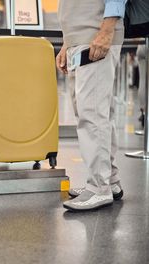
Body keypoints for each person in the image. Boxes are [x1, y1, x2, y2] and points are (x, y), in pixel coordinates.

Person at [56, 0, 126, 211]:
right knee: (96, 112)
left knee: (92, 114)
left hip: (95, 35)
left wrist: (106, 30)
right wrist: (68, 43)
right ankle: (110, 181)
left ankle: (98, 188)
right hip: (81, 38)